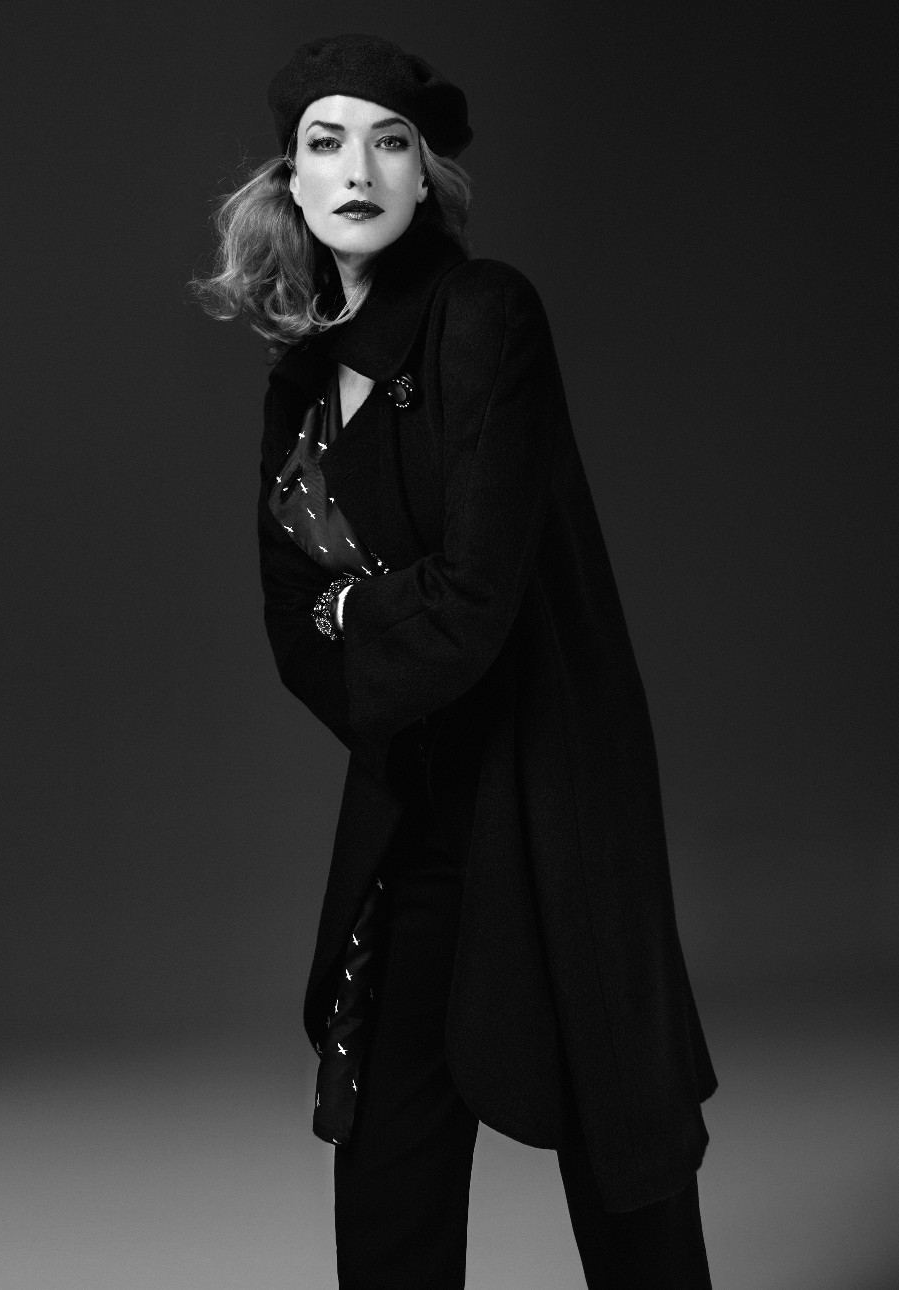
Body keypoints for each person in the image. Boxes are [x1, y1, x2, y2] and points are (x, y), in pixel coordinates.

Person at [194, 32, 717, 1290]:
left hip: (548, 794)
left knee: (624, 1157)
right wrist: (374, 618)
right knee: (387, 1165)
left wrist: (354, 609)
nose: (359, 169)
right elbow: (290, 630)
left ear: (426, 176)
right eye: (327, 142)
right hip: (412, 811)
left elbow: (476, 601)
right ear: (291, 177)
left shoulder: (486, 314)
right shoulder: (299, 380)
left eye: (392, 143)